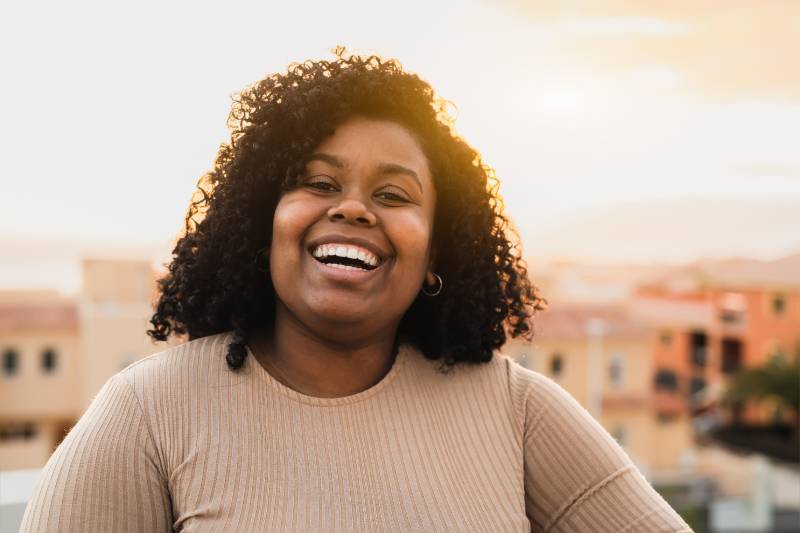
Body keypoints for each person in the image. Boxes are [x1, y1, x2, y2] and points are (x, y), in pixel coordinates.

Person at [21, 49, 692, 532]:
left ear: (438, 246)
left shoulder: (516, 409)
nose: (354, 208)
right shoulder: (147, 414)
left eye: (394, 193)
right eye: (318, 182)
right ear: (262, 220)